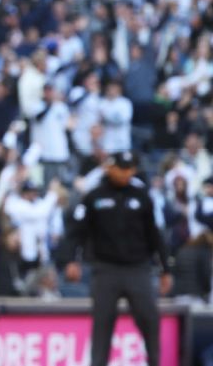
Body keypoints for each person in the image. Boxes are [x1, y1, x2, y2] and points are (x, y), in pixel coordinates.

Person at [60, 151, 170, 366]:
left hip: (137, 268)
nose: (126, 173)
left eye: (130, 169)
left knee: (149, 318)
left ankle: (155, 362)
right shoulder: (94, 197)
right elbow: (76, 232)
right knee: (102, 324)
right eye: (122, 168)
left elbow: (155, 235)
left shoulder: (142, 197)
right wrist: (70, 260)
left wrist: (166, 268)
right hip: (105, 268)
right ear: (110, 168)